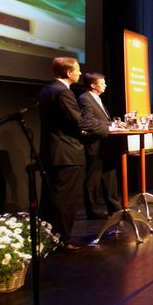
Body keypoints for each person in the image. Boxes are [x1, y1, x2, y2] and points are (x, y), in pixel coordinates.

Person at [39, 57, 105, 250]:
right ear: (68, 73)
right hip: (67, 154)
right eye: (77, 70)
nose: (79, 73)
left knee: (53, 199)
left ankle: (49, 238)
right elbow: (79, 122)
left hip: (52, 152)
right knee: (65, 201)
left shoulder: (47, 90)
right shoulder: (63, 92)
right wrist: (108, 129)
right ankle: (63, 240)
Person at [78, 72, 120, 219]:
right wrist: (111, 125)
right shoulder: (85, 98)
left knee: (110, 176)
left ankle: (114, 207)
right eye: (102, 83)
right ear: (92, 85)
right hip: (94, 144)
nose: (105, 85)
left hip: (105, 144)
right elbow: (87, 120)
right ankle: (93, 211)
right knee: (93, 179)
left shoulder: (97, 99)